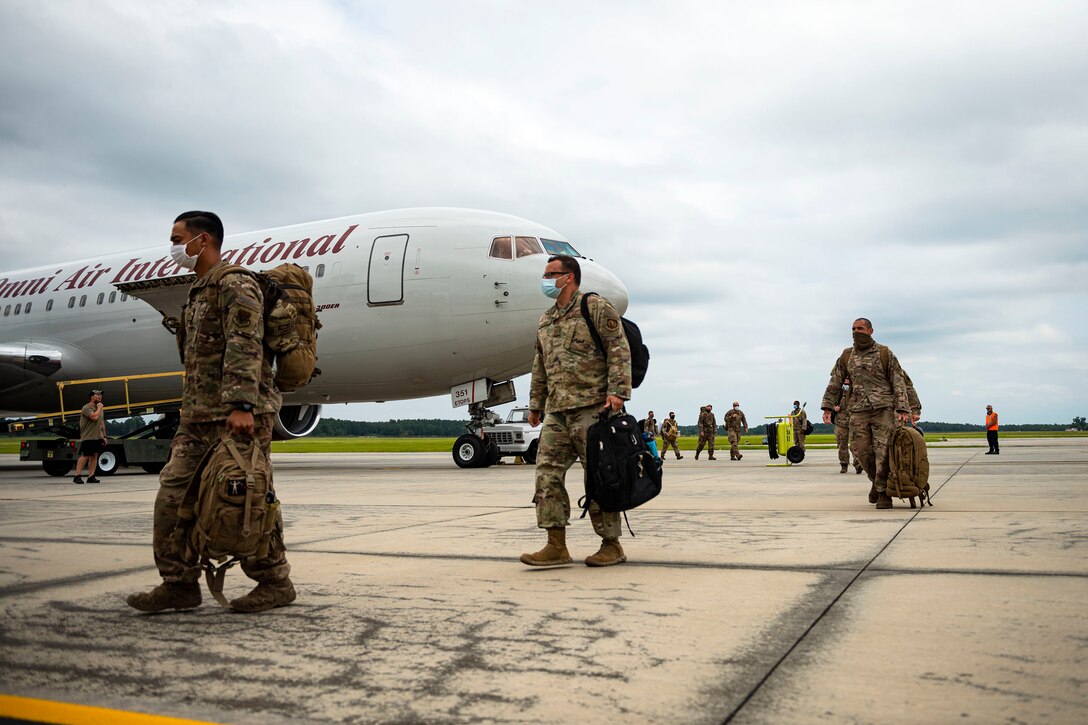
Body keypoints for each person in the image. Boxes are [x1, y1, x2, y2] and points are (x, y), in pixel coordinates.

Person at [127, 211, 295, 613]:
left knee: (245, 498)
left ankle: (275, 581)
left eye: (176, 237)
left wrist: (242, 405)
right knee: (172, 498)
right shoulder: (199, 290)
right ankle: (179, 584)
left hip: (235, 416)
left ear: (202, 240)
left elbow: (246, 342)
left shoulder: (236, 283)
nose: (172, 247)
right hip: (197, 415)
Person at [521, 254, 632, 568]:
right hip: (557, 411)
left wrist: (618, 392)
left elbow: (618, 348)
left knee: (599, 477)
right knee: (546, 474)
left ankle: (611, 544)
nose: (545, 279)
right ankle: (556, 545)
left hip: (592, 408)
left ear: (568, 277)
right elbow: (539, 366)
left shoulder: (594, 307)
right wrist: (535, 404)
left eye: (550, 274)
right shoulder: (546, 319)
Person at [821, 317, 913, 509]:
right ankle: (876, 481)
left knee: (883, 452)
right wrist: (828, 407)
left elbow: (898, 380)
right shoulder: (846, 356)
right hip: (858, 410)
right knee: (860, 451)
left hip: (884, 410)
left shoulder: (884, 353)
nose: (856, 332)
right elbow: (835, 382)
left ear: (871, 331)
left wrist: (903, 407)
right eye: (853, 328)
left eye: (860, 328)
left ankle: (882, 493)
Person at [72, 390, 106, 484]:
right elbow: (94, 417)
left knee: (95, 456)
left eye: (101, 395)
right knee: (85, 455)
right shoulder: (86, 407)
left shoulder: (99, 408)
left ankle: (91, 476)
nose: (100, 397)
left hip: (97, 436)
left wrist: (104, 436)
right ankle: (77, 475)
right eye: (97, 395)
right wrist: (99, 408)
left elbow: (101, 423)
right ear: (92, 396)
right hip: (88, 436)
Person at [832, 378, 863, 474]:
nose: (846, 383)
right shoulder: (837, 391)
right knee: (842, 444)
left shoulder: (856, 390)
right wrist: (834, 407)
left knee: (856, 444)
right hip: (840, 422)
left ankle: (858, 464)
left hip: (854, 421)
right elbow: (829, 402)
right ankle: (844, 464)